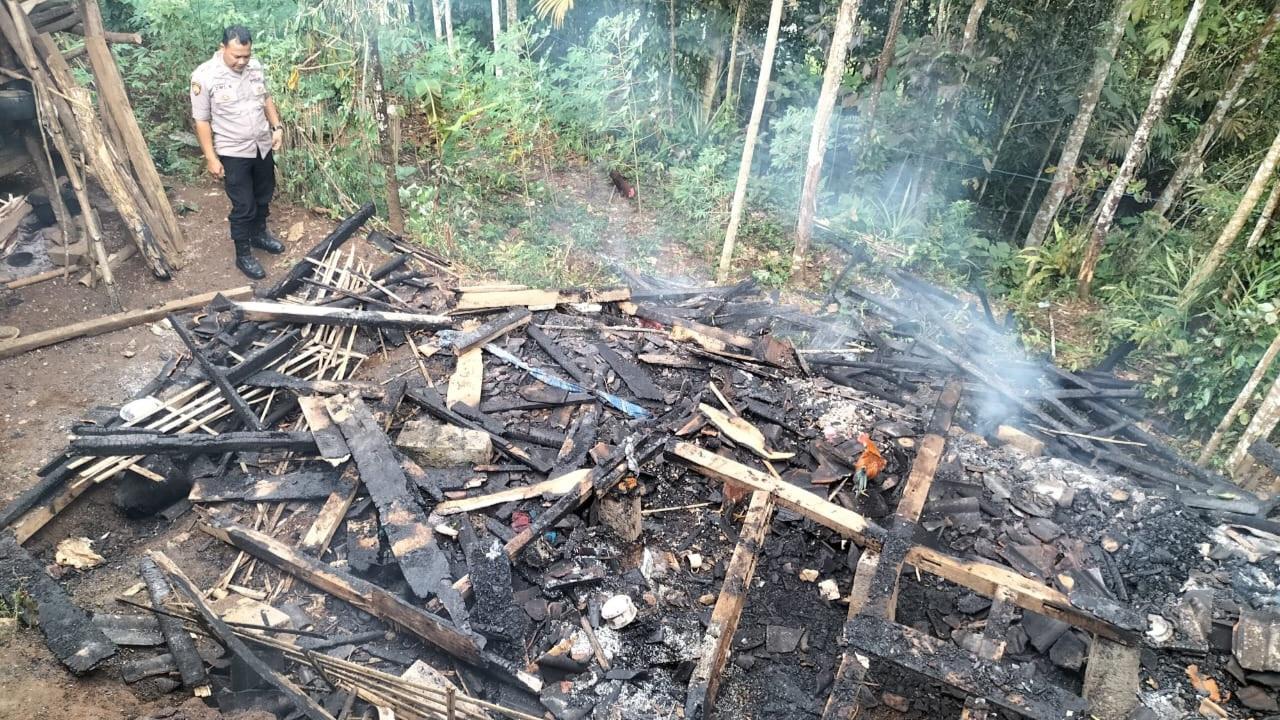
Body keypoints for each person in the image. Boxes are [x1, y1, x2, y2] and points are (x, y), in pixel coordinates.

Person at [190, 25, 285, 279]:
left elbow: (265, 97)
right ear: (223, 49)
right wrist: (211, 157)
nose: (242, 61)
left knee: (264, 194)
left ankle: (259, 235)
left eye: (246, 55)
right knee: (244, 204)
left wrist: (276, 126)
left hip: (261, 144)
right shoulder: (204, 76)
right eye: (236, 56)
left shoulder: (255, 67)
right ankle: (243, 255)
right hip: (233, 150)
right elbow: (201, 120)